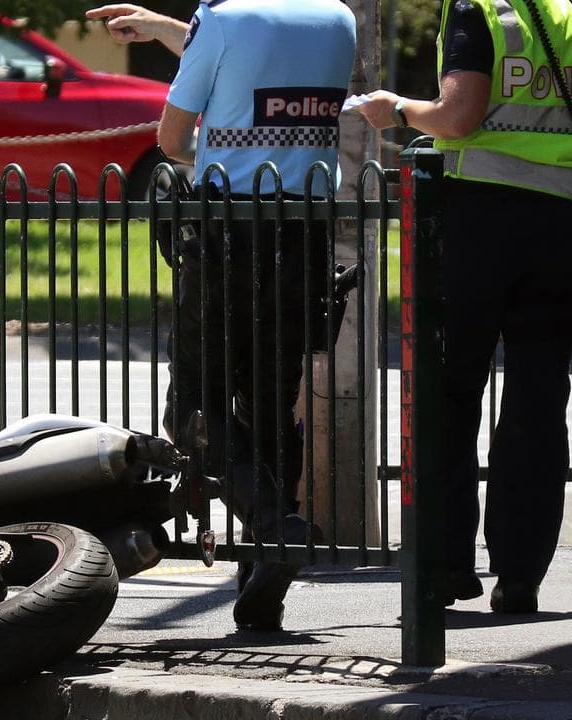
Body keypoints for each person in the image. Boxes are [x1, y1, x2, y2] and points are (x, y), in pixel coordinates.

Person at [87, 0, 356, 630]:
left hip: (228, 234)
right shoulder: (337, 19)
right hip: (304, 234)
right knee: (268, 406)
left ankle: (272, 527)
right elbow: (259, 70)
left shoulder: (224, 19)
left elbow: (172, 139)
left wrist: (214, 147)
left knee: (192, 407)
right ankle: (266, 573)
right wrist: (164, 32)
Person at [355, 0, 572, 613]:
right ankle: (522, 575)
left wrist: (395, 109)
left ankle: (446, 564)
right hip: (561, 224)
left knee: (447, 393)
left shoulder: (487, 10)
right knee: (539, 397)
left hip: (477, 220)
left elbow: (458, 115)